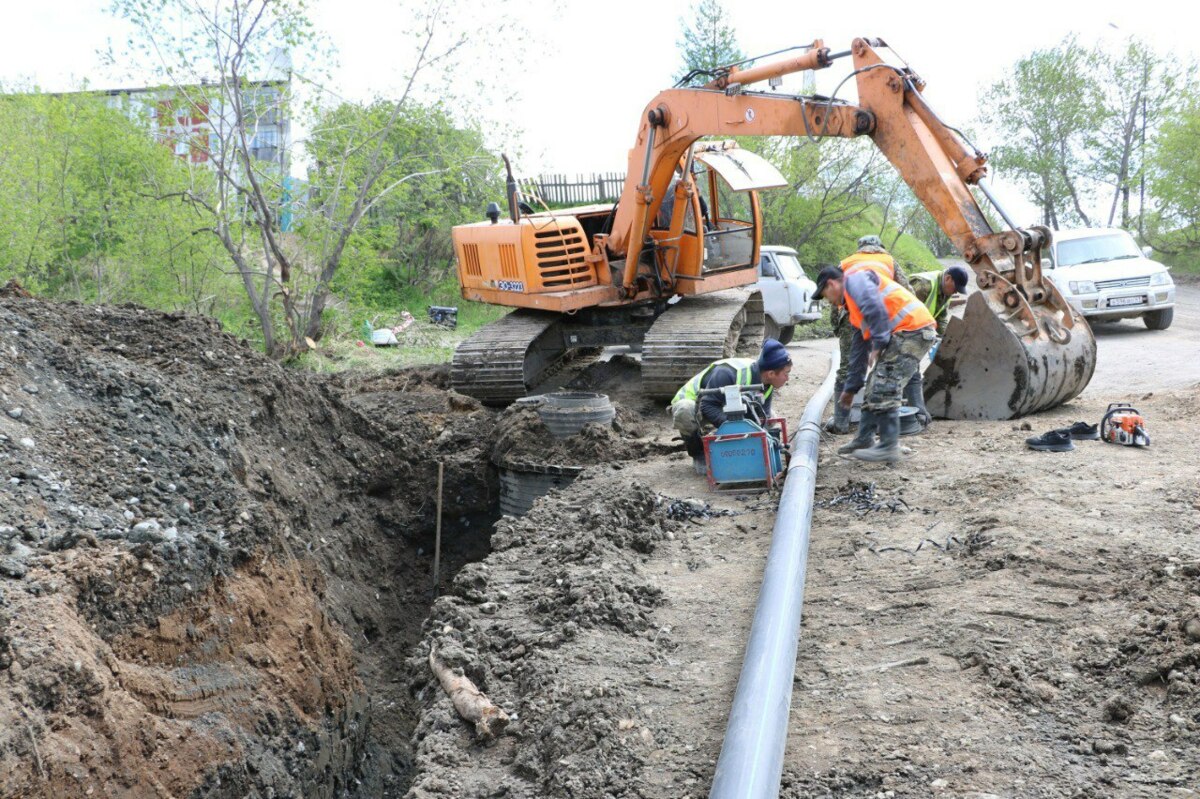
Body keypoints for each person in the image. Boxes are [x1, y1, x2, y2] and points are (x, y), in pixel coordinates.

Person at [814, 265, 936, 462]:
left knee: (885, 385)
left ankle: (888, 447)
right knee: (873, 386)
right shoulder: (854, 309)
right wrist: (851, 388)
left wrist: (879, 343)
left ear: (831, 284)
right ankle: (864, 439)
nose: (828, 300)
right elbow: (858, 352)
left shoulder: (856, 281)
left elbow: (875, 306)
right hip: (906, 333)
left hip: (914, 329)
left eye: (825, 294)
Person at [824, 235, 912, 434]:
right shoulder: (889, 260)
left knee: (847, 367)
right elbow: (907, 290)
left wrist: (837, 326)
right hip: (884, 315)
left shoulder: (846, 262)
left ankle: (841, 423)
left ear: (860, 248)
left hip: (851, 316)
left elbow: (834, 300)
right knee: (889, 366)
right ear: (879, 246)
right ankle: (900, 419)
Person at [669, 339, 793, 475]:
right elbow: (707, 406)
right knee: (685, 411)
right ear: (771, 374)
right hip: (698, 403)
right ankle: (698, 454)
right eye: (786, 373)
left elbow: (761, 416)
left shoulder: (766, 383)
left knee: (770, 418)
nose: (787, 379)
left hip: (724, 405)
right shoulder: (727, 372)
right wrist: (732, 428)